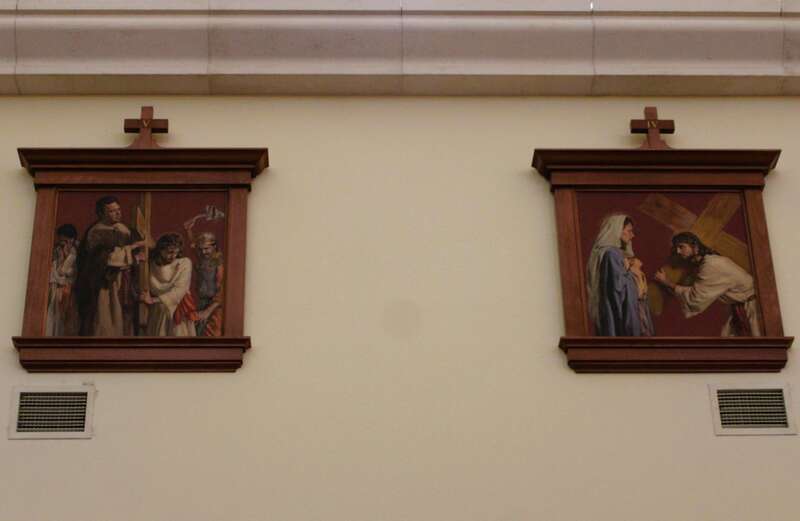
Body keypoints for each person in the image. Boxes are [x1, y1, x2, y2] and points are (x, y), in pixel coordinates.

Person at [655, 231, 761, 336]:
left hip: (753, 309)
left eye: (681, 247)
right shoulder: (706, 262)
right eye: (676, 248)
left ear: (695, 246)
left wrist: (666, 282)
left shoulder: (711, 265)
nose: (678, 251)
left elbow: (695, 298)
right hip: (740, 306)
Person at [76, 196, 145, 336]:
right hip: (104, 283)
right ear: (101, 214)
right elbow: (103, 259)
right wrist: (131, 249)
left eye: (118, 209)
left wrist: (137, 256)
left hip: (125, 280)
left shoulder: (126, 229)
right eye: (112, 211)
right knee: (106, 316)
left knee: (126, 316)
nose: (118, 213)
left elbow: (140, 254)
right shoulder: (95, 232)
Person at [586, 214, 655, 336]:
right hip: (625, 316)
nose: (632, 235)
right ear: (617, 230)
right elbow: (617, 288)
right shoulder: (612, 254)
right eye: (629, 231)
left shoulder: (616, 254)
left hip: (633, 311)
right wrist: (633, 271)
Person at [140, 233, 197, 337]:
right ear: (160, 250)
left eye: (176, 252)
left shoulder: (184, 263)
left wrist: (154, 300)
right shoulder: (152, 265)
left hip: (177, 308)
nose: (173, 256)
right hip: (158, 311)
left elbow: (180, 289)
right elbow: (151, 286)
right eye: (170, 252)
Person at [185, 223, 224, 336]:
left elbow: (222, 291)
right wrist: (188, 230)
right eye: (201, 249)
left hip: (215, 307)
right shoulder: (202, 256)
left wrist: (207, 312)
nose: (203, 252)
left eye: (206, 249)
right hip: (201, 303)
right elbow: (193, 245)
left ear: (214, 247)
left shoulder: (218, 262)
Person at [46, 224, 80, 336]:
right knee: (53, 319)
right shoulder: (56, 251)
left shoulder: (76, 253)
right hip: (56, 290)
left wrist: (67, 256)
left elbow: (70, 273)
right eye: (60, 241)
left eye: (65, 241)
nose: (62, 244)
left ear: (72, 240)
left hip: (70, 292)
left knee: (67, 321)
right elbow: (54, 272)